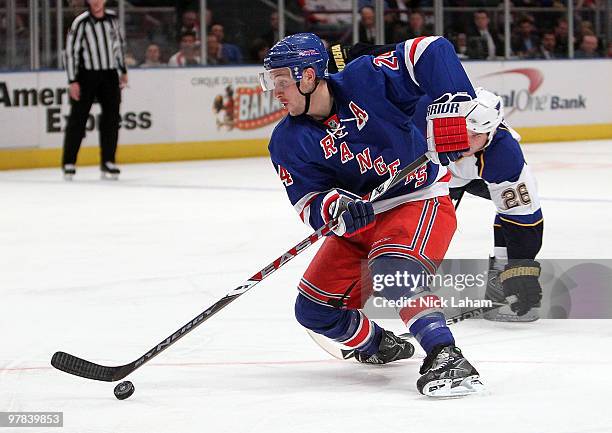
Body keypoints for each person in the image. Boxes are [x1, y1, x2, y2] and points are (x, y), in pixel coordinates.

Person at [260, 33, 484, 397]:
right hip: (359, 221)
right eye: (273, 82)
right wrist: (334, 207)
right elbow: (308, 200)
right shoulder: (286, 140)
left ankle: (447, 355)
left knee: (392, 269)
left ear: (310, 75)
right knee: (313, 311)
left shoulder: (366, 79)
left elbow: (431, 49)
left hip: (416, 199)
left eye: (282, 81)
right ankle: (379, 345)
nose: (276, 92)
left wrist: (453, 105)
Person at [327, 44, 544, 322]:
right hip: (432, 174)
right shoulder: (424, 113)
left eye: (474, 136)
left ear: (491, 132)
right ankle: (384, 273)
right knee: (399, 218)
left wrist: (521, 271)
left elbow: (522, 219)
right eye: (459, 131)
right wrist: (348, 56)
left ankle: (502, 283)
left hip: (472, 177)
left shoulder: (504, 155)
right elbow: (390, 69)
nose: (463, 142)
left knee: (512, 214)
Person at [62, 0, 127, 180]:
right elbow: (70, 52)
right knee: (78, 118)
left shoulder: (113, 19)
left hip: (109, 75)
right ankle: (69, 162)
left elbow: (119, 46)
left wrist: (123, 71)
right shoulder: (81, 22)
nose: (96, 2)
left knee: (112, 119)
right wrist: (72, 80)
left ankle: (108, 160)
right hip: (87, 76)